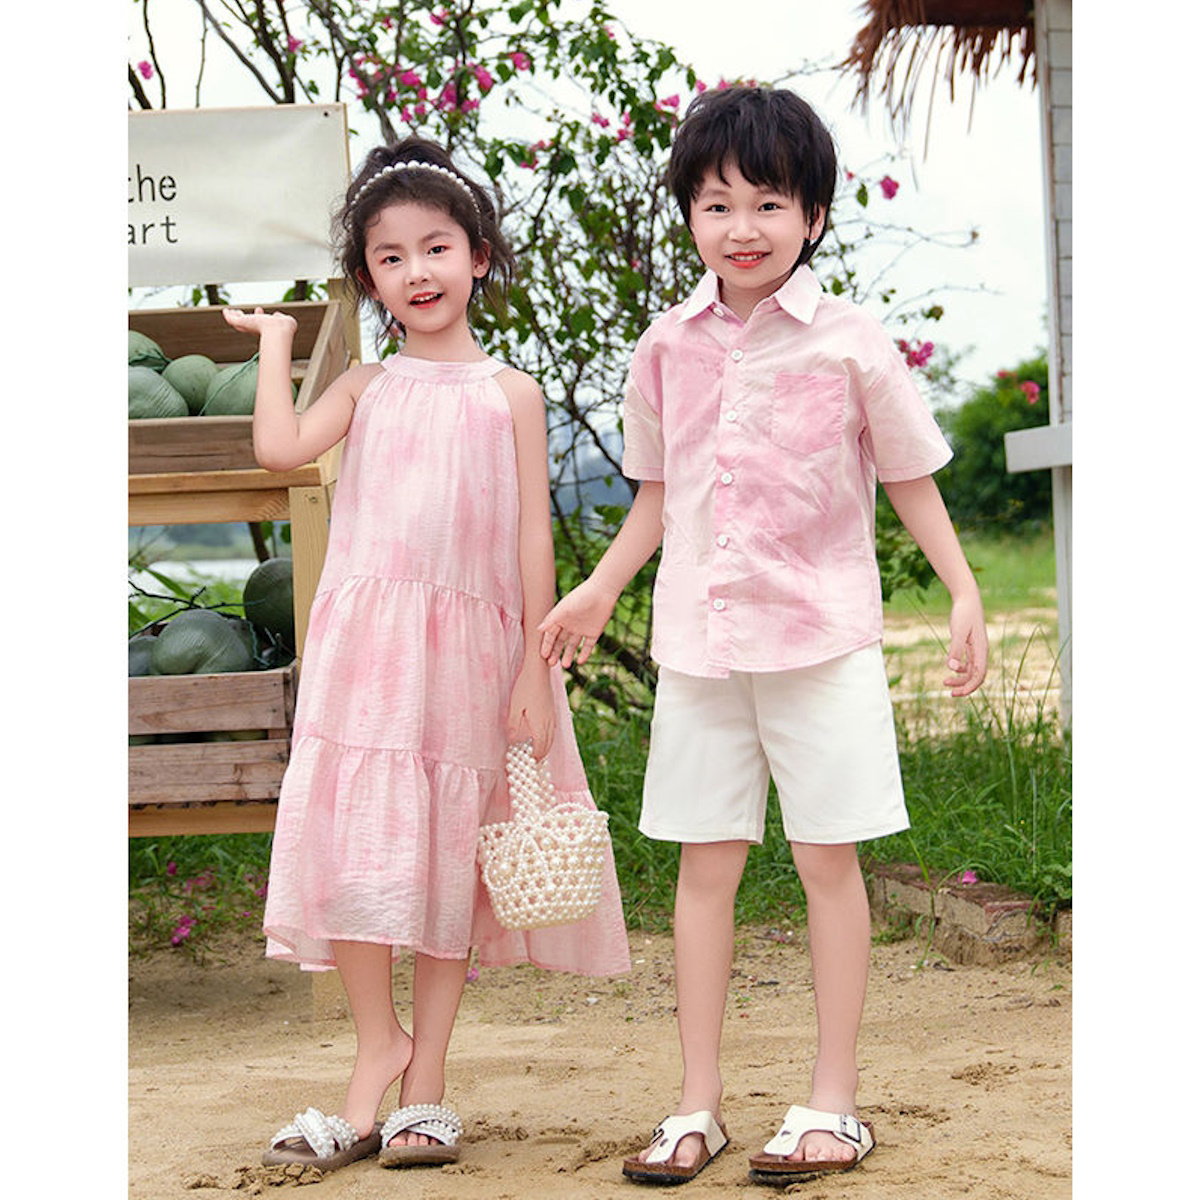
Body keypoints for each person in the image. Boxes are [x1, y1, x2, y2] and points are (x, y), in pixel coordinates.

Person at [538, 86, 987, 1186]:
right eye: (716, 204)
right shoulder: (664, 346)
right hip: (700, 645)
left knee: (828, 863)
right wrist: (598, 589)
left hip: (822, 641)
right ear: (689, 216)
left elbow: (910, 477)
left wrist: (965, 593)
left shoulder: (850, 343)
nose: (742, 229)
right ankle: (697, 1104)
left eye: (769, 204)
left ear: (814, 217)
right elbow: (656, 497)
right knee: (705, 867)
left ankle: (831, 1104)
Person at [224, 136, 630, 1175]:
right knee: (360, 852)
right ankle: (375, 1057)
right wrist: (276, 341)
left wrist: (536, 673)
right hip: (367, 647)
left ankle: (426, 1084)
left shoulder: (514, 393)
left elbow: (535, 535)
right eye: (391, 257)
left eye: (436, 247)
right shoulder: (364, 384)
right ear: (370, 279)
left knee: (452, 858)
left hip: (476, 656)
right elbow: (279, 449)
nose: (418, 271)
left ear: (480, 256)